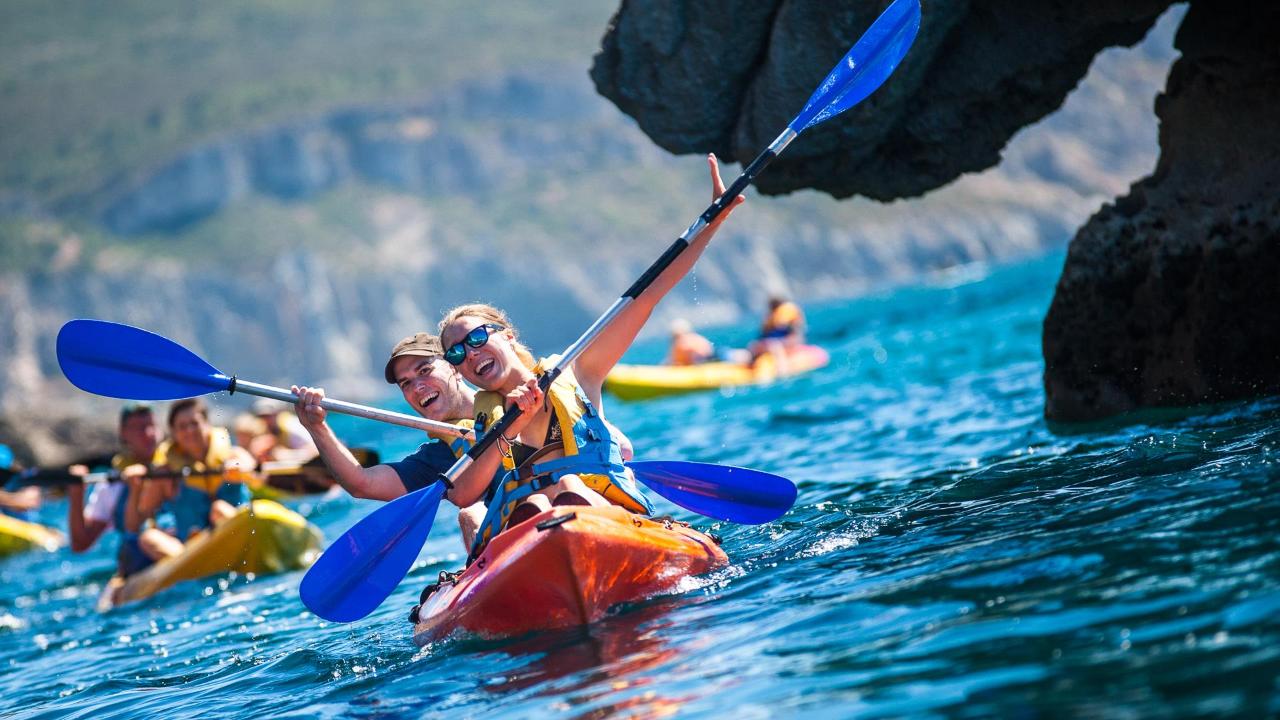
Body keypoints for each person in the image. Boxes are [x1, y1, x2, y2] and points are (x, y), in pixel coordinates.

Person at [438, 152, 742, 556]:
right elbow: (464, 494)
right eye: (456, 354)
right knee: (502, 509)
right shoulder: (485, 426)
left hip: (600, 519)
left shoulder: (578, 373)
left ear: (507, 336)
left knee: (567, 486)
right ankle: (542, 530)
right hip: (532, 539)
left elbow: (647, 296)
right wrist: (509, 428)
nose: (470, 354)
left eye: (477, 338)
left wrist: (713, 219)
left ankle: (560, 520)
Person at [125, 398, 254, 563]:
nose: (190, 430)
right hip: (191, 550)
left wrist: (241, 469)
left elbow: (252, 468)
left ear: (207, 424)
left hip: (240, 534)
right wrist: (135, 489)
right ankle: (193, 563)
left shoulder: (233, 456)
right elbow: (135, 525)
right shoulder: (166, 474)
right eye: (182, 426)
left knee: (219, 508)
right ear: (174, 433)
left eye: (194, 423)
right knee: (148, 537)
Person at [65, 403, 161, 577]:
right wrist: (77, 495)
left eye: (151, 425)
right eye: (139, 428)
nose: (149, 433)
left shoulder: (178, 463)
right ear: (124, 434)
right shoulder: (111, 486)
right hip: (139, 566)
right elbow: (80, 544)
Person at [244, 399, 317, 464]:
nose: (265, 420)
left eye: (268, 416)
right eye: (262, 416)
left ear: (278, 413)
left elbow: (314, 452)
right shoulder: (262, 430)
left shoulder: (291, 426)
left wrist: (286, 455)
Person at [748, 294, 807, 373]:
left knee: (774, 346)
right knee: (753, 345)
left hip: (786, 342)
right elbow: (764, 334)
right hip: (771, 342)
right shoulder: (770, 318)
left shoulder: (789, 314)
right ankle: (751, 365)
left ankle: (782, 370)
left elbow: (795, 334)